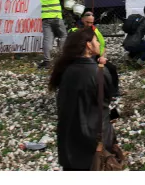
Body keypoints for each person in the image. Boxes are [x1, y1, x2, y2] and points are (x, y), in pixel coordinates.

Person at [50, 27, 118, 171]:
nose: (99, 44)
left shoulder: (66, 70)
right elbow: (106, 101)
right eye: (96, 41)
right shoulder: (100, 72)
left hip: (69, 138)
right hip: (95, 138)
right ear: (88, 45)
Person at [70, 12, 119, 97]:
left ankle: (113, 91)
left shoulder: (95, 30)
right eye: (87, 22)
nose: (89, 24)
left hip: (94, 57)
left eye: (91, 23)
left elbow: (102, 45)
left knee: (111, 68)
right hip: (79, 59)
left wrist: (102, 57)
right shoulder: (74, 31)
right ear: (82, 20)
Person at [39, 0, 67, 69]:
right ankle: (62, 57)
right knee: (63, 35)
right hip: (56, 18)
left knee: (47, 40)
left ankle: (47, 61)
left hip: (46, 19)